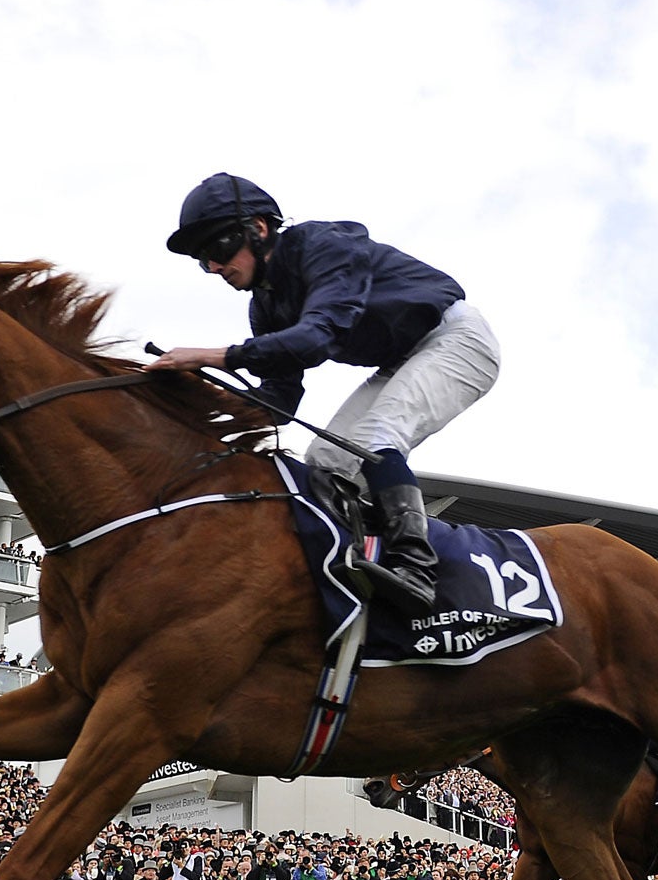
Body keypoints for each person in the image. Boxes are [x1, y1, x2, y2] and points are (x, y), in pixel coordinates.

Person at [149, 173, 501, 614]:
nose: (216, 267)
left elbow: (317, 336)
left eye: (218, 250)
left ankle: (416, 569)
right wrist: (195, 400)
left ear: (259, 229)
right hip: (403, 361)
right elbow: (277, 405)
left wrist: (216, 356)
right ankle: (351, 564)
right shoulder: (265, 306)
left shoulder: (325, 245)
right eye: (204, 261)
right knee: (324, 462)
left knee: (376, 439)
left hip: (457, 338)